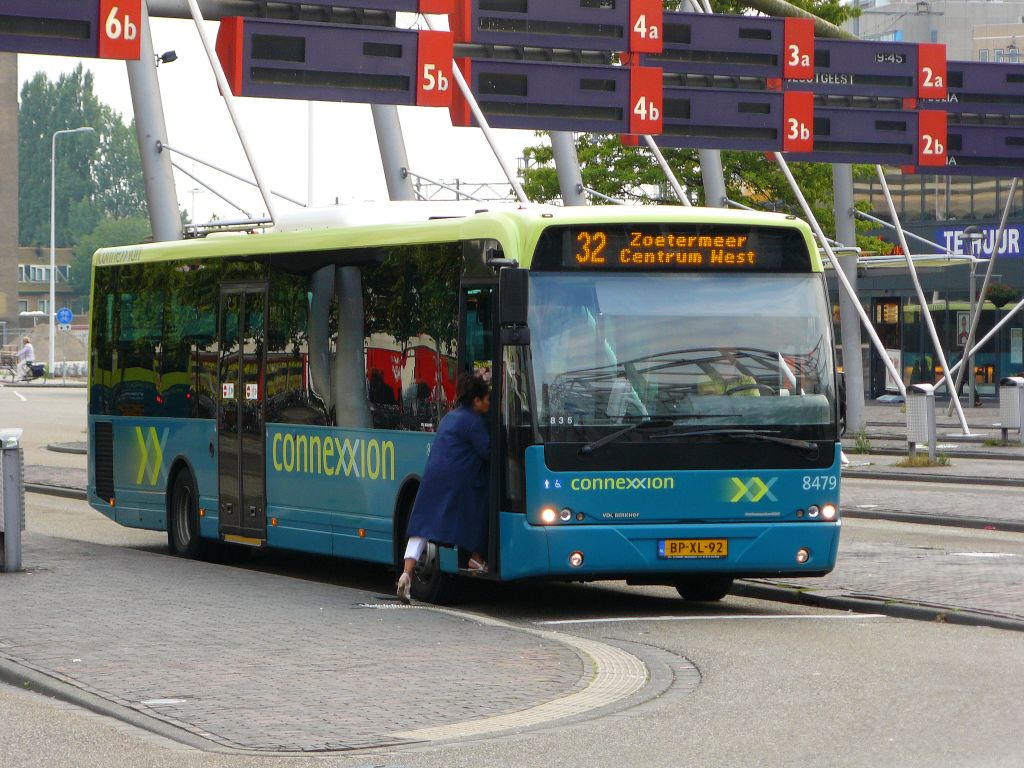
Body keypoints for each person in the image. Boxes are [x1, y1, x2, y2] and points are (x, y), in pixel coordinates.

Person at [397, 373, 490, 603]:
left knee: (421, 528)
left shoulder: (450, 417)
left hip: (432, 480)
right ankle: (477, 557)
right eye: (486, 399)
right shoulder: (473, 422)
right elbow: (487, 452)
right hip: (457, 484)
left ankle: (406, 575)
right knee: (480, 505)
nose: (489, 403)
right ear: (476, 401)